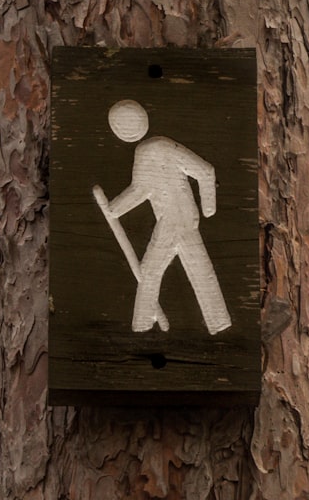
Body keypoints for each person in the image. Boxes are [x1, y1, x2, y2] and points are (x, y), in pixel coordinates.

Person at [92, 100, 231, 335]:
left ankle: (143, 322)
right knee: (198, 268)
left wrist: (114, 209)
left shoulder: (149, 151)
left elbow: (142, 189)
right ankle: (217, 320)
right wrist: (207, 209)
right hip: (184, 219)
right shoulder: (161, 147)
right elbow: (203, 172)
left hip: (172, 221)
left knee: (151, 270)